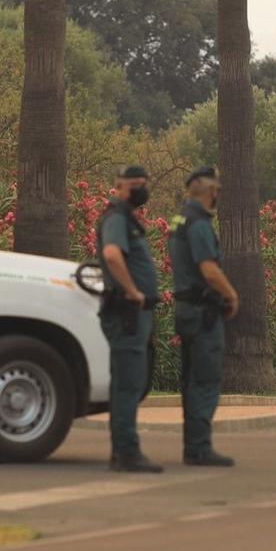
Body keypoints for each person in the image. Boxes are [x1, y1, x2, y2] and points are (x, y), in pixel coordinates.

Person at [169, 165, 240, 466]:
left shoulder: (179, 220)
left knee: (191, 380)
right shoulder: (198, 224)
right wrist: (231, 294)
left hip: (186, 308)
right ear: (212, 192)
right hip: (201, 312)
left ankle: (193, 447)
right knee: (205, 379)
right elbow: (209, 269)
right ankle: (199, 448)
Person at [96, 164, 164, 473]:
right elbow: (112, 255)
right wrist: (133, 292)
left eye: (144, 182)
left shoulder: (127, 219)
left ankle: (122, 452)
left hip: (134, 314)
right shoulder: (116, 218)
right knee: (127, 383)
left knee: (130, 382)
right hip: (126, 312)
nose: (141, 188)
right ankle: (126, 452)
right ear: (121, 186)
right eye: (136, 183)